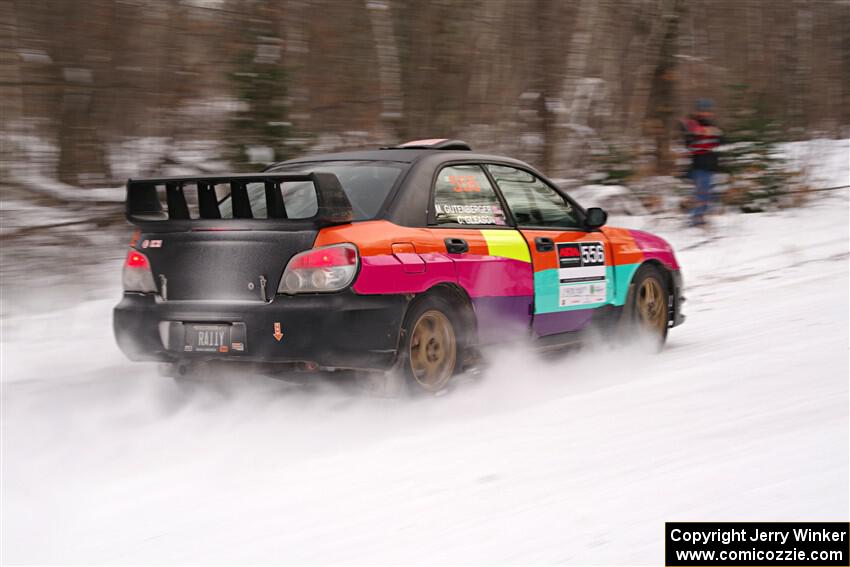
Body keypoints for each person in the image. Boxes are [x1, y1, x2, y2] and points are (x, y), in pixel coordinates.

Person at [681, 99, 723, 226]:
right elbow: (690, 142)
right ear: (697, 111)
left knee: (708, 193)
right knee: (701, 192)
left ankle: (701, 217)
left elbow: (720, 140)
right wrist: (699, 135)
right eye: (702, 111)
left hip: (710, 164)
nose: (705, 113)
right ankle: (695, 219)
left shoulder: (712, 125)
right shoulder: (692, 124)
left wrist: (711, 135)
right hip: (699, 164)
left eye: (708, 111)